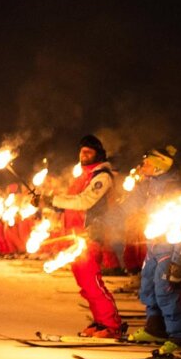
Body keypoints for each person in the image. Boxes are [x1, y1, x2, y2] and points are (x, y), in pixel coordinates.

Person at [50, 134, 124, 337]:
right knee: (84, 281)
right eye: (82, 151)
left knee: (92, 280)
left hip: (92, 233)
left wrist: (53, 200)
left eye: (89, 152)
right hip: (76, 235)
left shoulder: (101, 176)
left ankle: (112, 324)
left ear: (98, 155)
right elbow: (70, 199)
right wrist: (50, 203)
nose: (84, 155)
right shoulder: (83, 175)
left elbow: (84, 201)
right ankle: (100, 321)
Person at [124, 146, 181, 356]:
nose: (143, 166)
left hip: (168, 246)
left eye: (147, 163)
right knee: (148, 286)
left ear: (160, 166)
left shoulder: (173, 187)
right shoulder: (150, 184)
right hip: (153, 244)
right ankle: (155, 328)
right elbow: (135, 207)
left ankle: (179, 336)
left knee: (166, 290)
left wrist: (178, 258)